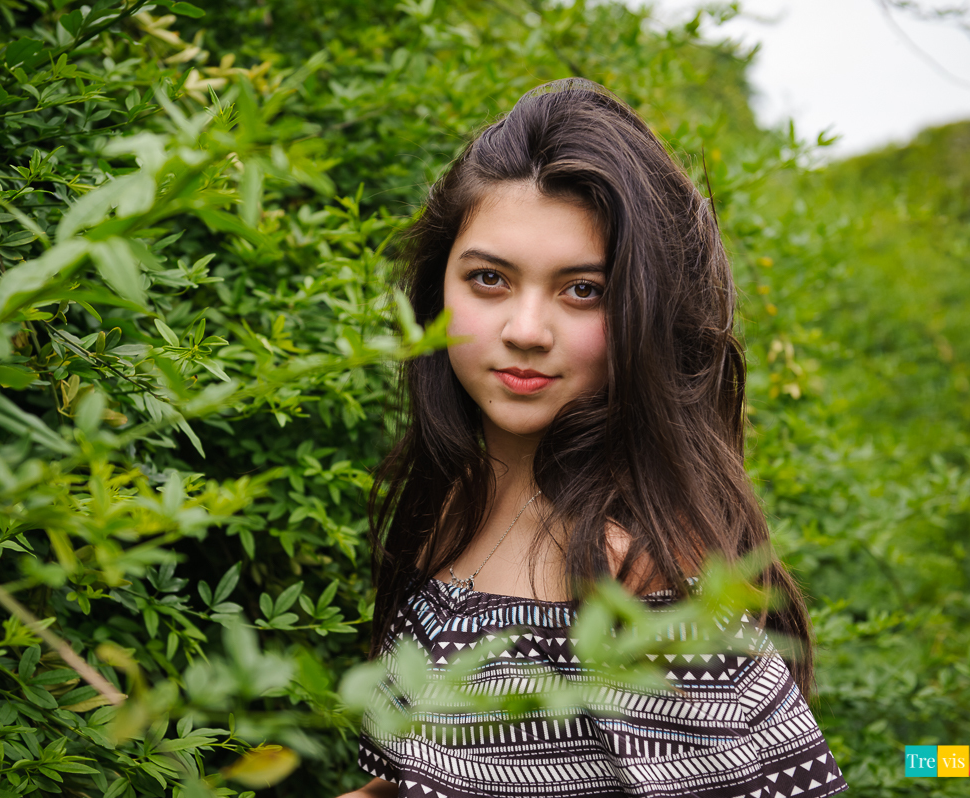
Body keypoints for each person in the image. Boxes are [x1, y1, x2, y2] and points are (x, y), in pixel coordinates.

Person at [340, 79, 847, 798]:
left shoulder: (639, 584)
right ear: (437, 292)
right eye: (488, 278)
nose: (524, 330)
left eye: (583, 290)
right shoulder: (449, 506)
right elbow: (417, 780)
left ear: (644, 311)